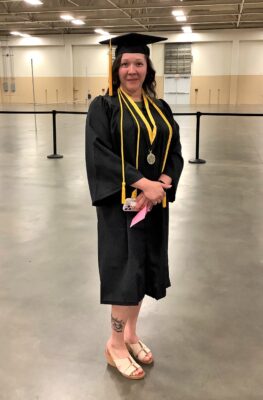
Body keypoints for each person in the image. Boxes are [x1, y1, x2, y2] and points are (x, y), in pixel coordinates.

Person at [85, 33, 184, 380]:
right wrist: (143, 184)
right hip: (121, 206)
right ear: (116, 68)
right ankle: (113, 344)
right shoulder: (104, 106)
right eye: (125, 63)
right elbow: (100, 154)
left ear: (147, 68)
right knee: (125, 270)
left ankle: (129, 334)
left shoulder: (160, 107)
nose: (132, 70)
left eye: (138, 63)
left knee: (142, 268)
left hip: (153, 205)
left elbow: (174, 152)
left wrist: (163, 184)